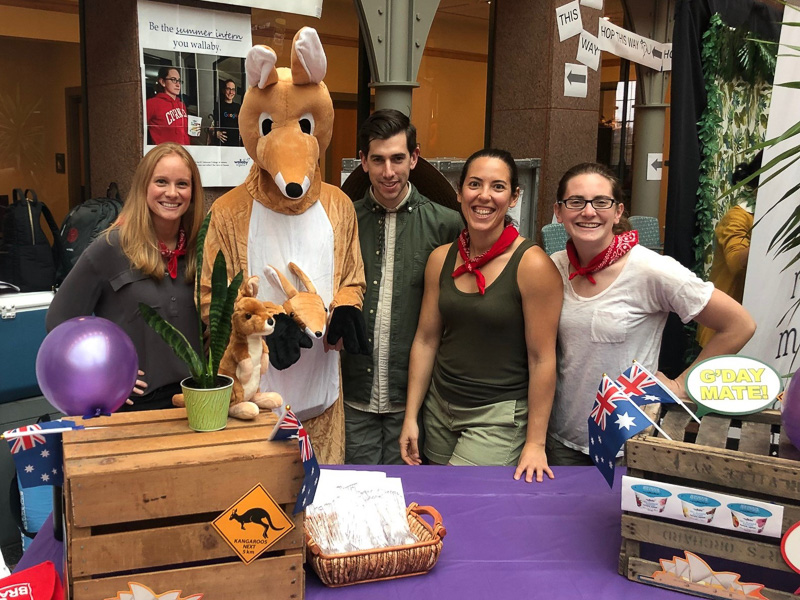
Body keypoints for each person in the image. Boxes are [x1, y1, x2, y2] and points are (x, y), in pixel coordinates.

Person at [546, 163, 756, 465]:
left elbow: (739, 325)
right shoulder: (554, 267)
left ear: (617, 212)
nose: (588, 212)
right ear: (559, 211)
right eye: (576, 202)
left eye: (601, 202)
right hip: (562, 440)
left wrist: (681, 385)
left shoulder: (650, 269)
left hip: (626, 443)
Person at [398, 148, 563, 483]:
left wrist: (535, 441)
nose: (484, 196)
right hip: (439, 410)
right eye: (474, 184)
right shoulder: (441, 259)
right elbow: (427, 340)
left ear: (515, 196)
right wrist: (411, 416)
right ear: (459, 192)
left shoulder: (532, 265)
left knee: (460, 505)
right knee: (436, 504)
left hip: (497, 417)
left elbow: (542, 358)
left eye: (498, 187)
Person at [342, 109, 463, 465]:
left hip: (414, 404)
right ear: (363, 162)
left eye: (398, 158)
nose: (388, 171)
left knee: (405, 501)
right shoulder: (343, 220)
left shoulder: (447, 225)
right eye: (377, 160)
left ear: (414, 157)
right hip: (353, 397)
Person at [46, 143, 205, 410]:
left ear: (193, 192)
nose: (172, 193)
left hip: (200, 399)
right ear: (144, 186)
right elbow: (59, 322)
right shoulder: (110, 247)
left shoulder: (202, 247)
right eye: (161, 182)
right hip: (138, 406)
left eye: (182, 184)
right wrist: (104, 378)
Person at [697, 152, 761, 347]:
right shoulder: (738, 217)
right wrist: (768, 232)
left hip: (758, 323)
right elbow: (736, 261)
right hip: (726, 330)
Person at [146, 66, 190, 145]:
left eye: (179, 80)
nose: (178, 84)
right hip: (164, 154)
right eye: (173, 80)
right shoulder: (152, 104)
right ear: (163, 82)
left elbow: (185, 133)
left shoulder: (182, 105)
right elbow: (138, 130)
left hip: (183, 153)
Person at [208, 79, 241, 147]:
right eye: (228, 89)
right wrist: (216, 133)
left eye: (233, 89)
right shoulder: (218, 106)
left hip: (235, 145)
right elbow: (212, 126)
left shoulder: (239, 107)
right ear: (223, 90)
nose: (231, 92)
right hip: (222, 145)